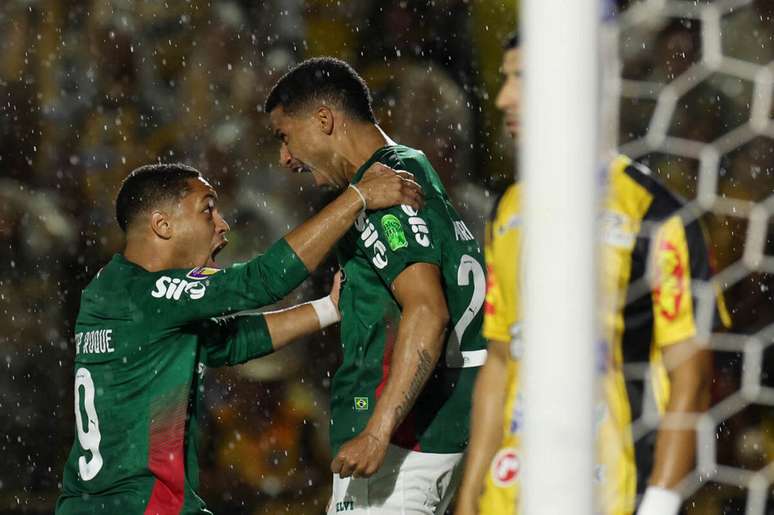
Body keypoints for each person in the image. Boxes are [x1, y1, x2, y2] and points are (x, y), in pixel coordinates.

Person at [453, 34, 730, 515]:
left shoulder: (656, 217)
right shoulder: (509, 210)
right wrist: (470, 496)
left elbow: (692, 372)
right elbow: (500, 360)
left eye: (521, 78)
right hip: (514, 492)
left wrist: (661, 503)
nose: (503, 99)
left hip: (613, 491)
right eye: (504, 79)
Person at [56, 161, 422, 514]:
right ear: (162, 224)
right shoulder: (153, 294)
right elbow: (261, 282)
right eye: (208, 210)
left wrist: (327, 308)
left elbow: (229, 342)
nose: (223, 225)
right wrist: (357, 197)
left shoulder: (110, 291)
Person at [265, 57, 487, 514]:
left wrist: (377, 432)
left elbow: (428, 312)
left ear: (324, 119)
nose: (284, 159)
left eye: (285, 138)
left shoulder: (384, 190)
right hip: (441, 431)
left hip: (402, 450)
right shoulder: (410, 168)